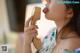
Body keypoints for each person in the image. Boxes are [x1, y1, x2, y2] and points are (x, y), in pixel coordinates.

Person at [15, 0, 80, 53]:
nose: (45, 0)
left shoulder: (72, 47)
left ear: (69, 12)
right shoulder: (51, 34)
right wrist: (27, 43)